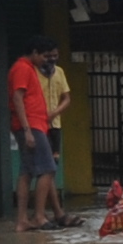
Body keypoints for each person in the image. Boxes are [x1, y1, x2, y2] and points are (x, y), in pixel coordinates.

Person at [6, 36, 67, 232]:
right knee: (48, 169)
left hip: (35, 125)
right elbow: (17, 98)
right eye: (44, 56)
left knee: (27, 171)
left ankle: (22, 220)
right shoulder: (23, 68)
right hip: (32, 125)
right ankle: (39, 216)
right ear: (34, 53)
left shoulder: (26, 68)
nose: (46, 61)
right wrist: (27, 130)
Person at [42, 51, 72, 206]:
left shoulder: (59, 72)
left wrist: (55, 112)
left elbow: (67, 98)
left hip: (55, 125)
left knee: (53, 167)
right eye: (49, 55)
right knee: (46, 169)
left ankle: (55, 209)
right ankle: (55, 209)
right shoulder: (34, 73)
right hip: (39, 125)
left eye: (55, 55)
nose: (52, 59)